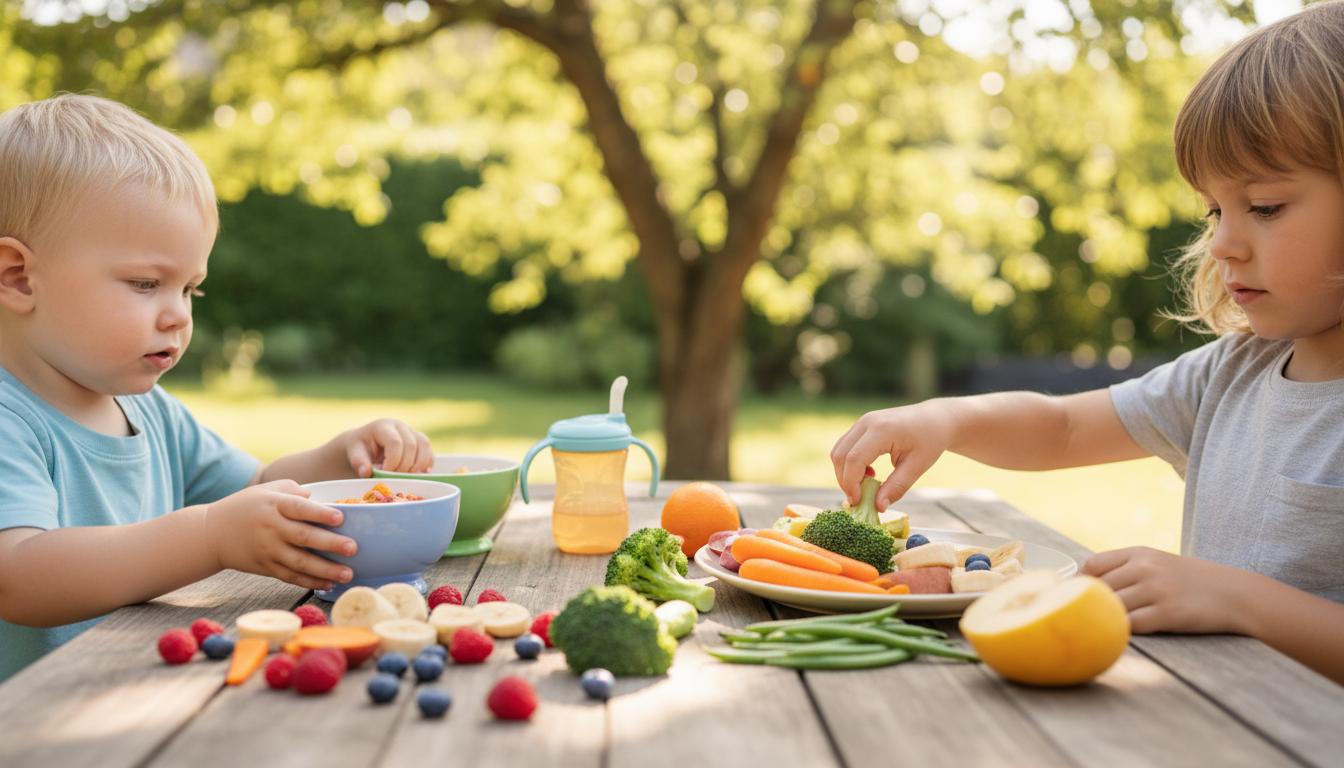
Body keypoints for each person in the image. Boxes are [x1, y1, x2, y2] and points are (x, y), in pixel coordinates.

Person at [831, 1, 1344, 685]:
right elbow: (1065, 427)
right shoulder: (1231, 373)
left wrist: (1236, 599)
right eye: (1215, 209)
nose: (1223, 242)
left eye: (1265, 206)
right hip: (1219, 720)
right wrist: (947, 419)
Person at [0, 94, 435, 681]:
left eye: (190, 289)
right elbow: (19, 577)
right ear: (19, 277)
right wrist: (208, 537)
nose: (179, 315)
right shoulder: (10, 419)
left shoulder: (149, 412)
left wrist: (343, 456)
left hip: (133, 694)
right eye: (146, 283)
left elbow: (254, 488)